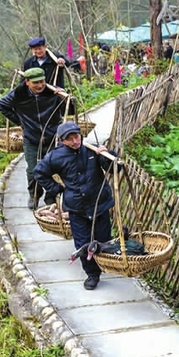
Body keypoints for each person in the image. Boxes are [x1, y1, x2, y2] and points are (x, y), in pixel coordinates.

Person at [34, 122, 118, 291]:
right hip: (76, 208)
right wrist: (57, 189)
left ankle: (104, 266)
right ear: (62, 141)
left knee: (102, 239)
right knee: (83, 243)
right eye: (69, 139)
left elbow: (114, 167)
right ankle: (92, 274)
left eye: (76, 136)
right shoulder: (55, 157)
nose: (75, 141)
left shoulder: (91, 149)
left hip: (99, 203)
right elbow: (39, 172)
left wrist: (107, 154)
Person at [0, 67, 68, 209]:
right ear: (27, 82)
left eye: (42, 81)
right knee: (34, 170)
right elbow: (1, 104)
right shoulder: (19, 94)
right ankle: (34, 195)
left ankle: (51, 197)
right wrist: (21, 121)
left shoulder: (52, 91)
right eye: (36, 83)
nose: (40, 85)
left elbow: (70, 108)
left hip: (53, 136)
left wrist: (63, 98)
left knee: (54, 168)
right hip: (31, 138)